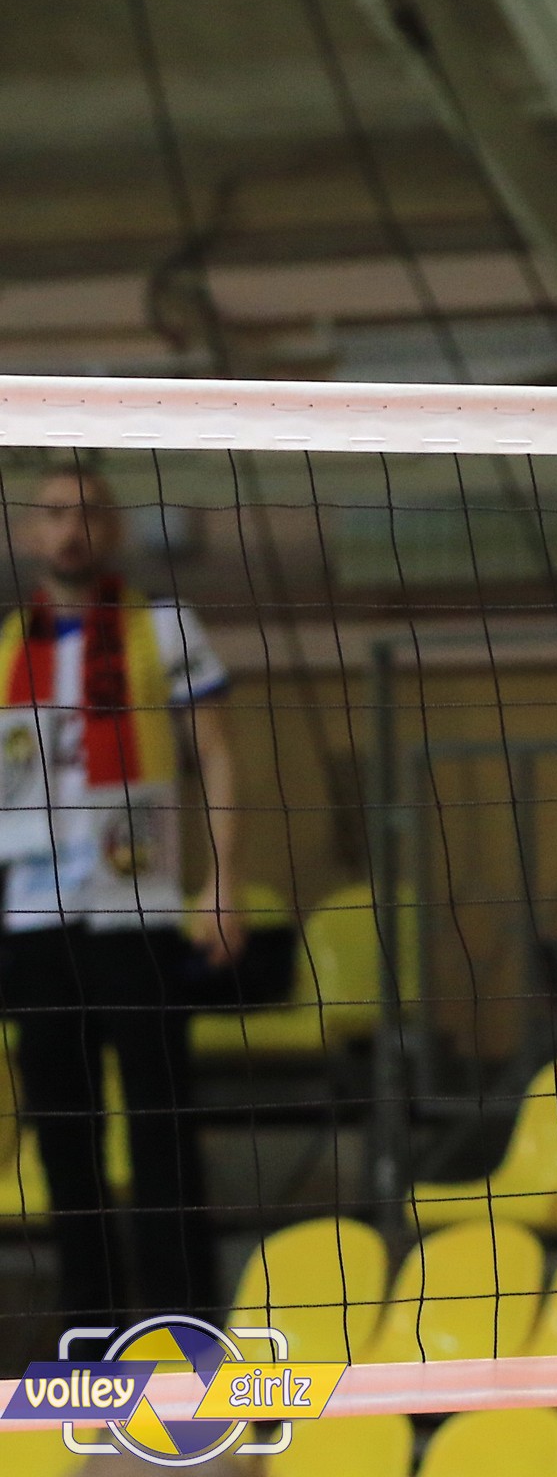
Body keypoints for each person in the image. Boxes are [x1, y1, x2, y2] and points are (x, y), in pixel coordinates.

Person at [0, 465, 242, 1330]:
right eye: (56, 513)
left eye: (89, 512)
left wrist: (221, 880)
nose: (72, 528)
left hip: (136, 908)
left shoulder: (164, 627)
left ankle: (184, 1325)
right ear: (31, 532)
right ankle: (90, 1331)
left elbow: (216, 752)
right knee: (63, 1132)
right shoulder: (8, 645)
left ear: (115, 529)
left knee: (160, 1121)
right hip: (33, 919)